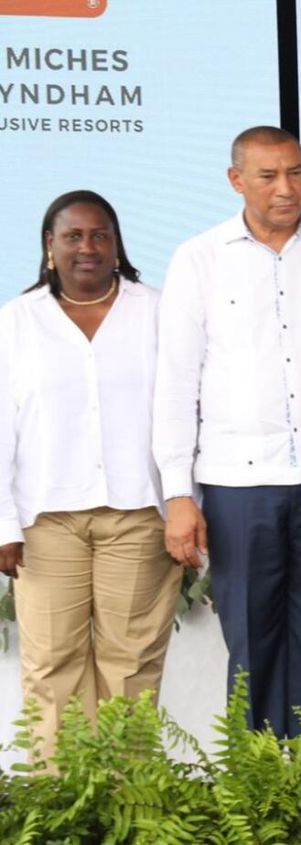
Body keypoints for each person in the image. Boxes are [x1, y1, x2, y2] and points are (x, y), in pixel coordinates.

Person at [154, 126, 301, 737]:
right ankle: (257, 777)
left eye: (296, 172)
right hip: (238, 484)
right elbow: (176, 383)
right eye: (268, 176)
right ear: (236, 180)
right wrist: (178, 492)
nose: (286, 188)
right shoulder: (199, 259)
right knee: (250, 639)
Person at [0, 190, 183, 760]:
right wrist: (3, 523)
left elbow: (183, 411)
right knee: (52, 663)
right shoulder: (16, 322)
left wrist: (186, 500)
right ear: (49, 246)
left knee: (131, 664)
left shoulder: (157, 312)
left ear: (116, 244)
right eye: (73, 236)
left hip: (138, 515)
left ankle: (128, 799)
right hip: (45, 523)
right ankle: (61, 800)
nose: (88, 247)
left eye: (100, 235)